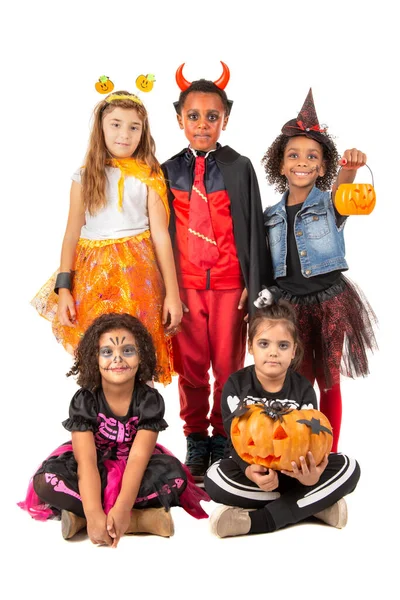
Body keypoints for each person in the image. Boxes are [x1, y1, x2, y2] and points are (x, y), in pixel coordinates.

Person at [161, 62, 273, 480]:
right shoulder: (167, 170)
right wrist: (166, 289)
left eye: (212, 117)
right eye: (194, 116)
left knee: (228, 366)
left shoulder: (238, 166)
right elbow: (160, 232)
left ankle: (227, 436)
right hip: (186, 286)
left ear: (225, 119)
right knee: (190, 367)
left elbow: (252, 226)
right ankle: (195, 436)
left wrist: (253, 283)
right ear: (179, 120)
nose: (203, 124)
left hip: (229, 284)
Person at [18, 313, 209, 547]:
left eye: (128, 350)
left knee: (176, 479)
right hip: (92, 465)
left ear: (142, 356)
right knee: (46, 481)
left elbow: (138, 459)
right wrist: (93, 511)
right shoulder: (85, 400)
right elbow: (86, 461)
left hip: (133, 466)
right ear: (94, 358)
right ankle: (123, 519)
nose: (117, 358)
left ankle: (108, 518)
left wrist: (123, 506)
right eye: (107, 352)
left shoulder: (149, 400)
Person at [31, 90, 182, 385]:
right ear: (101, 127)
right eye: (115, 124)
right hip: (93, 277)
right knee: (98, 349)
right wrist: (64, 289)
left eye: (133, 127)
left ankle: (142, 421)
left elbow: (161, 236)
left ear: (143, 132)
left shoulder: (148, 175)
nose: (124, 134)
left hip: (139, 276)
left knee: (139, 347)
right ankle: (99, 423)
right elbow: (71, 234)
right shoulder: (84, 177)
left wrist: (172, 295)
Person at [261, 89, 377, 451]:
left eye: (312, 156)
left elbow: (346, 190)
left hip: (331, 302)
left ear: (322, 166)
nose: (302, 161)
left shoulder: (331, 205)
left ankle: (328, 451)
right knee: (297, 378)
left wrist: (349, 169)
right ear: (280, 164)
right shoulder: (270, 217)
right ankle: (298, 445)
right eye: (293, 155)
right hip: (290, 305)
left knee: (329, 379)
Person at [204, 291, 360, 538]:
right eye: (264, 344)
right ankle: (314, 505)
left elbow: (313, 441)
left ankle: (259, 521)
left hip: (295, 474)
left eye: (283, 345)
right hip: (253, 474)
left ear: (294, 350)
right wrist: (248, 470)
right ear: (250, 346)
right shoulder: (236, 385)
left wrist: (314, 474)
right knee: (213, 478)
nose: (273, 352)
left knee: (349, 468)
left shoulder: (303, 388)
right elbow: (235, 441)